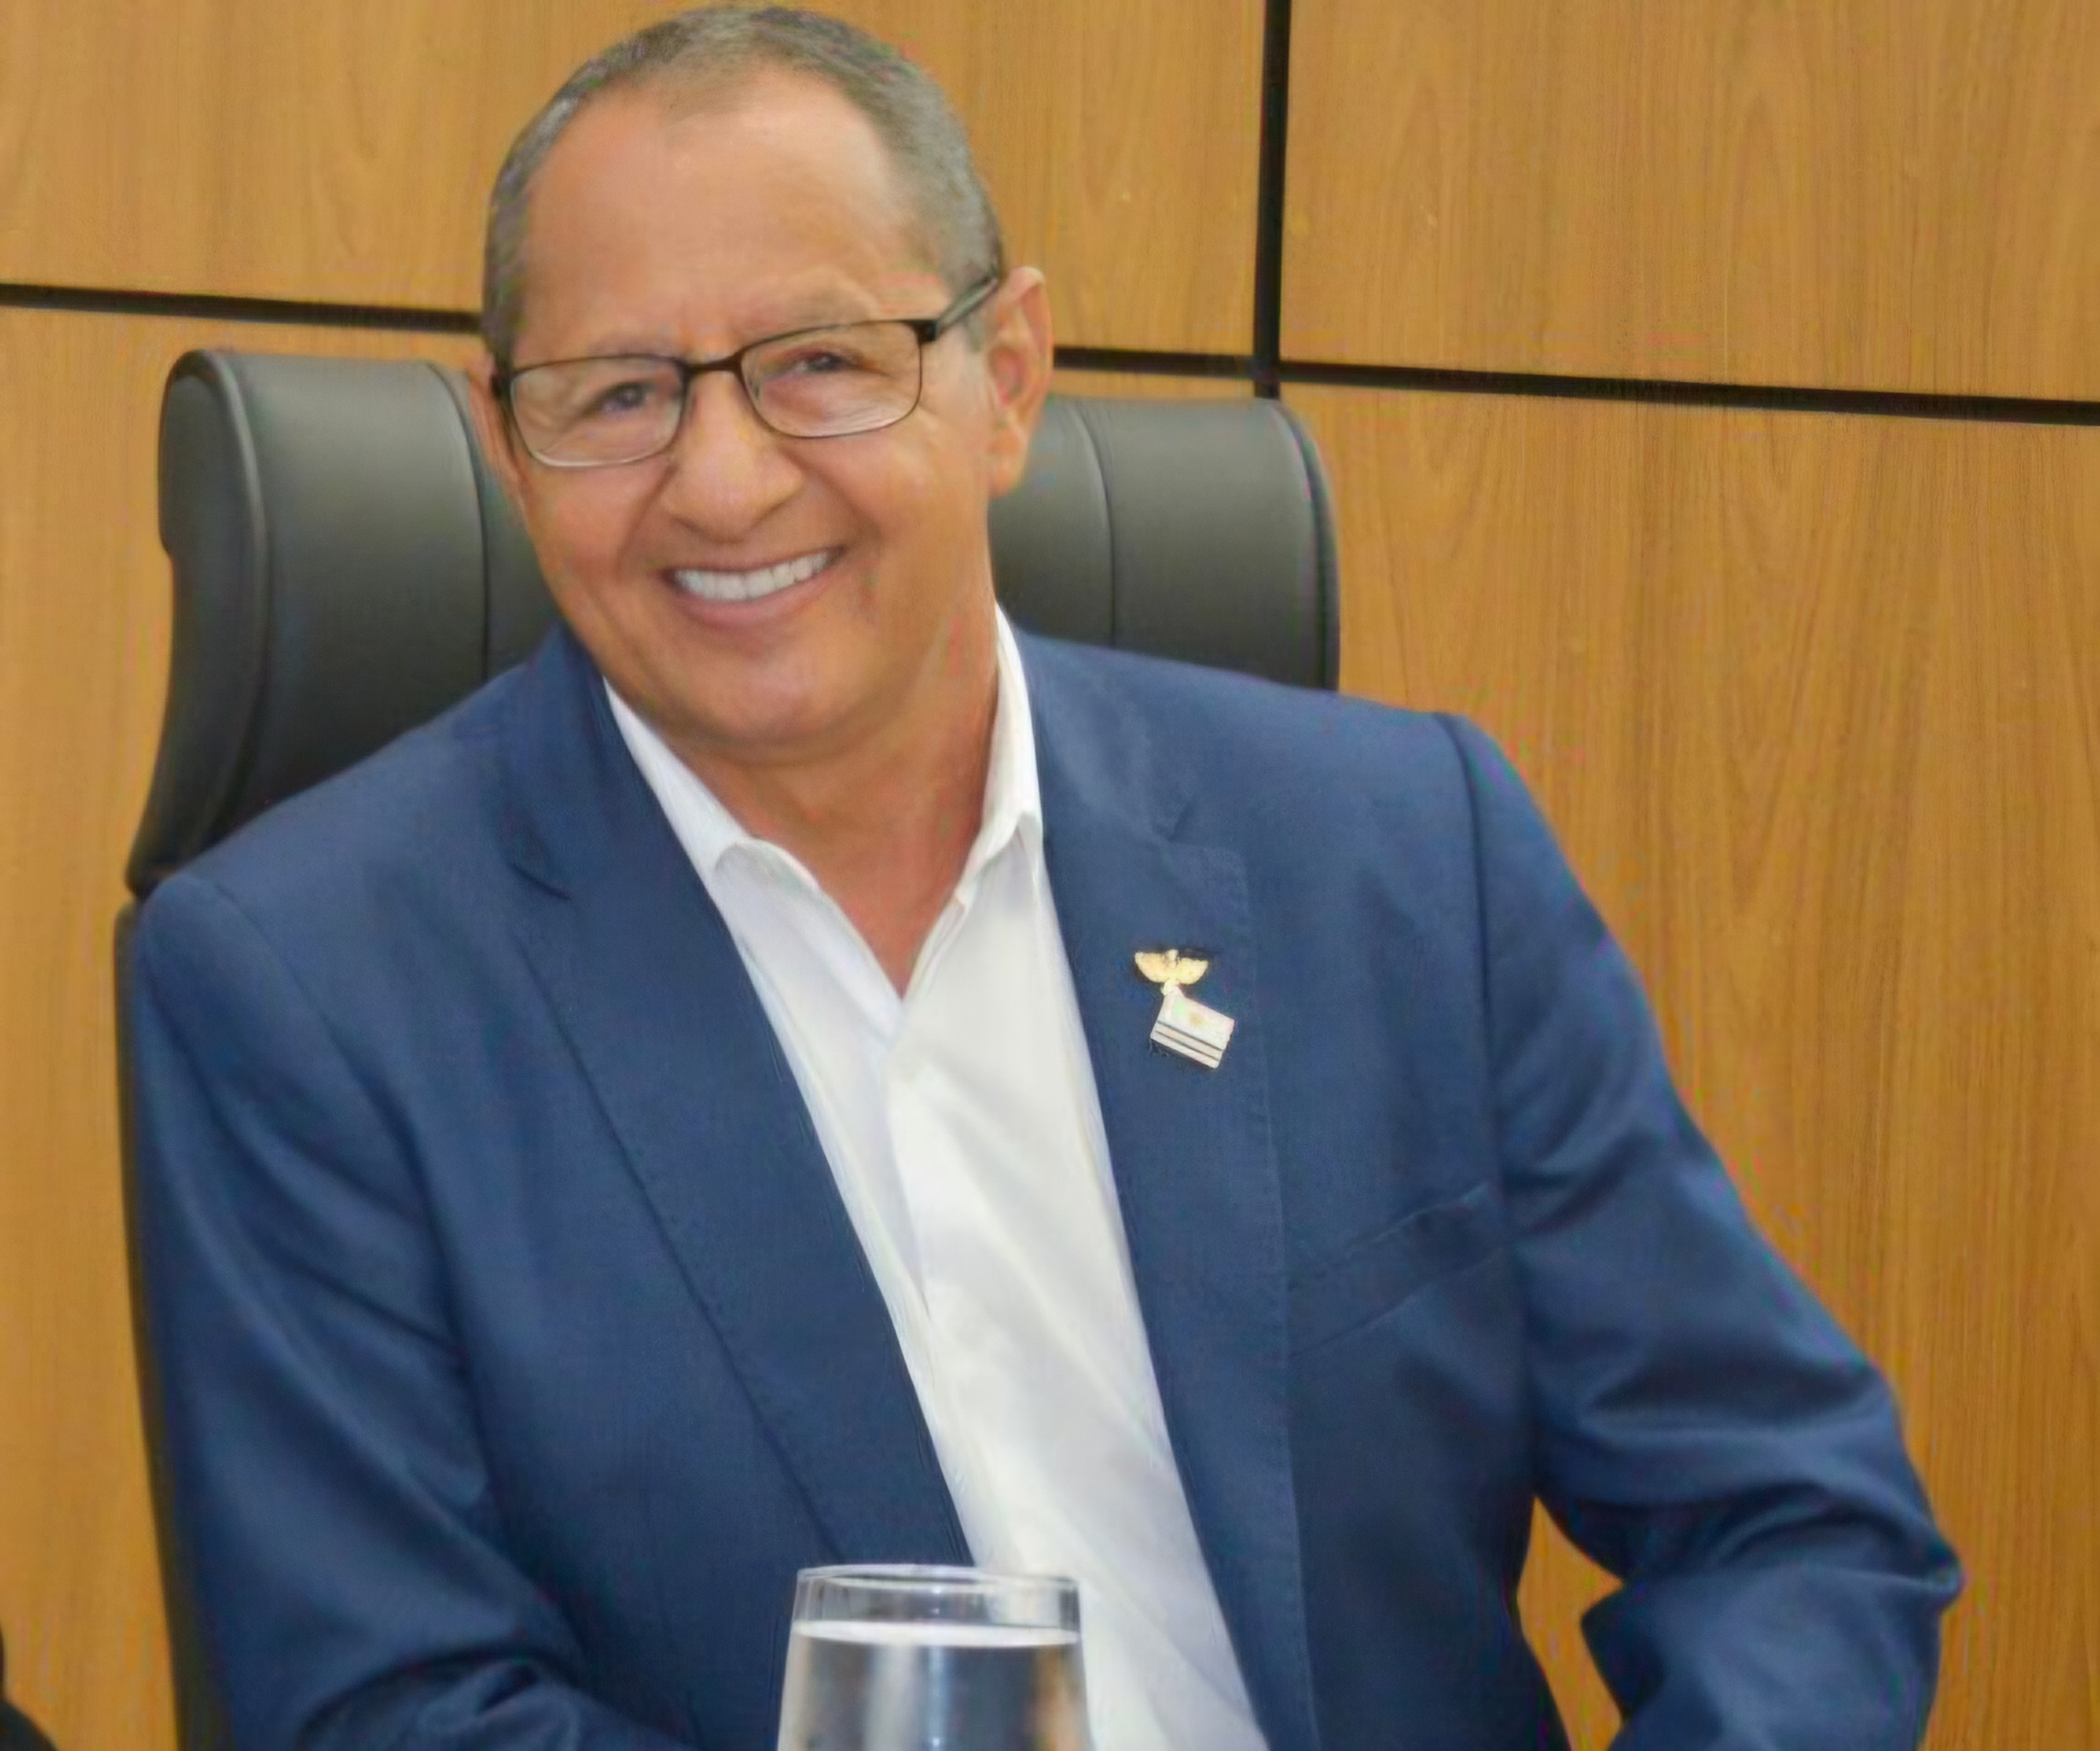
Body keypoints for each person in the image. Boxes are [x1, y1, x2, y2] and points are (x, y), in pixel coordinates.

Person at [125, 7, 1959, 1749]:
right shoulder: (310, 987)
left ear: (1004, 382)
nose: (723, 482)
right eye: (617, 394)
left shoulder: (1397, 856)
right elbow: (392, 1708)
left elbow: (1788, 1520)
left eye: (819, 364)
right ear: (508, 445)